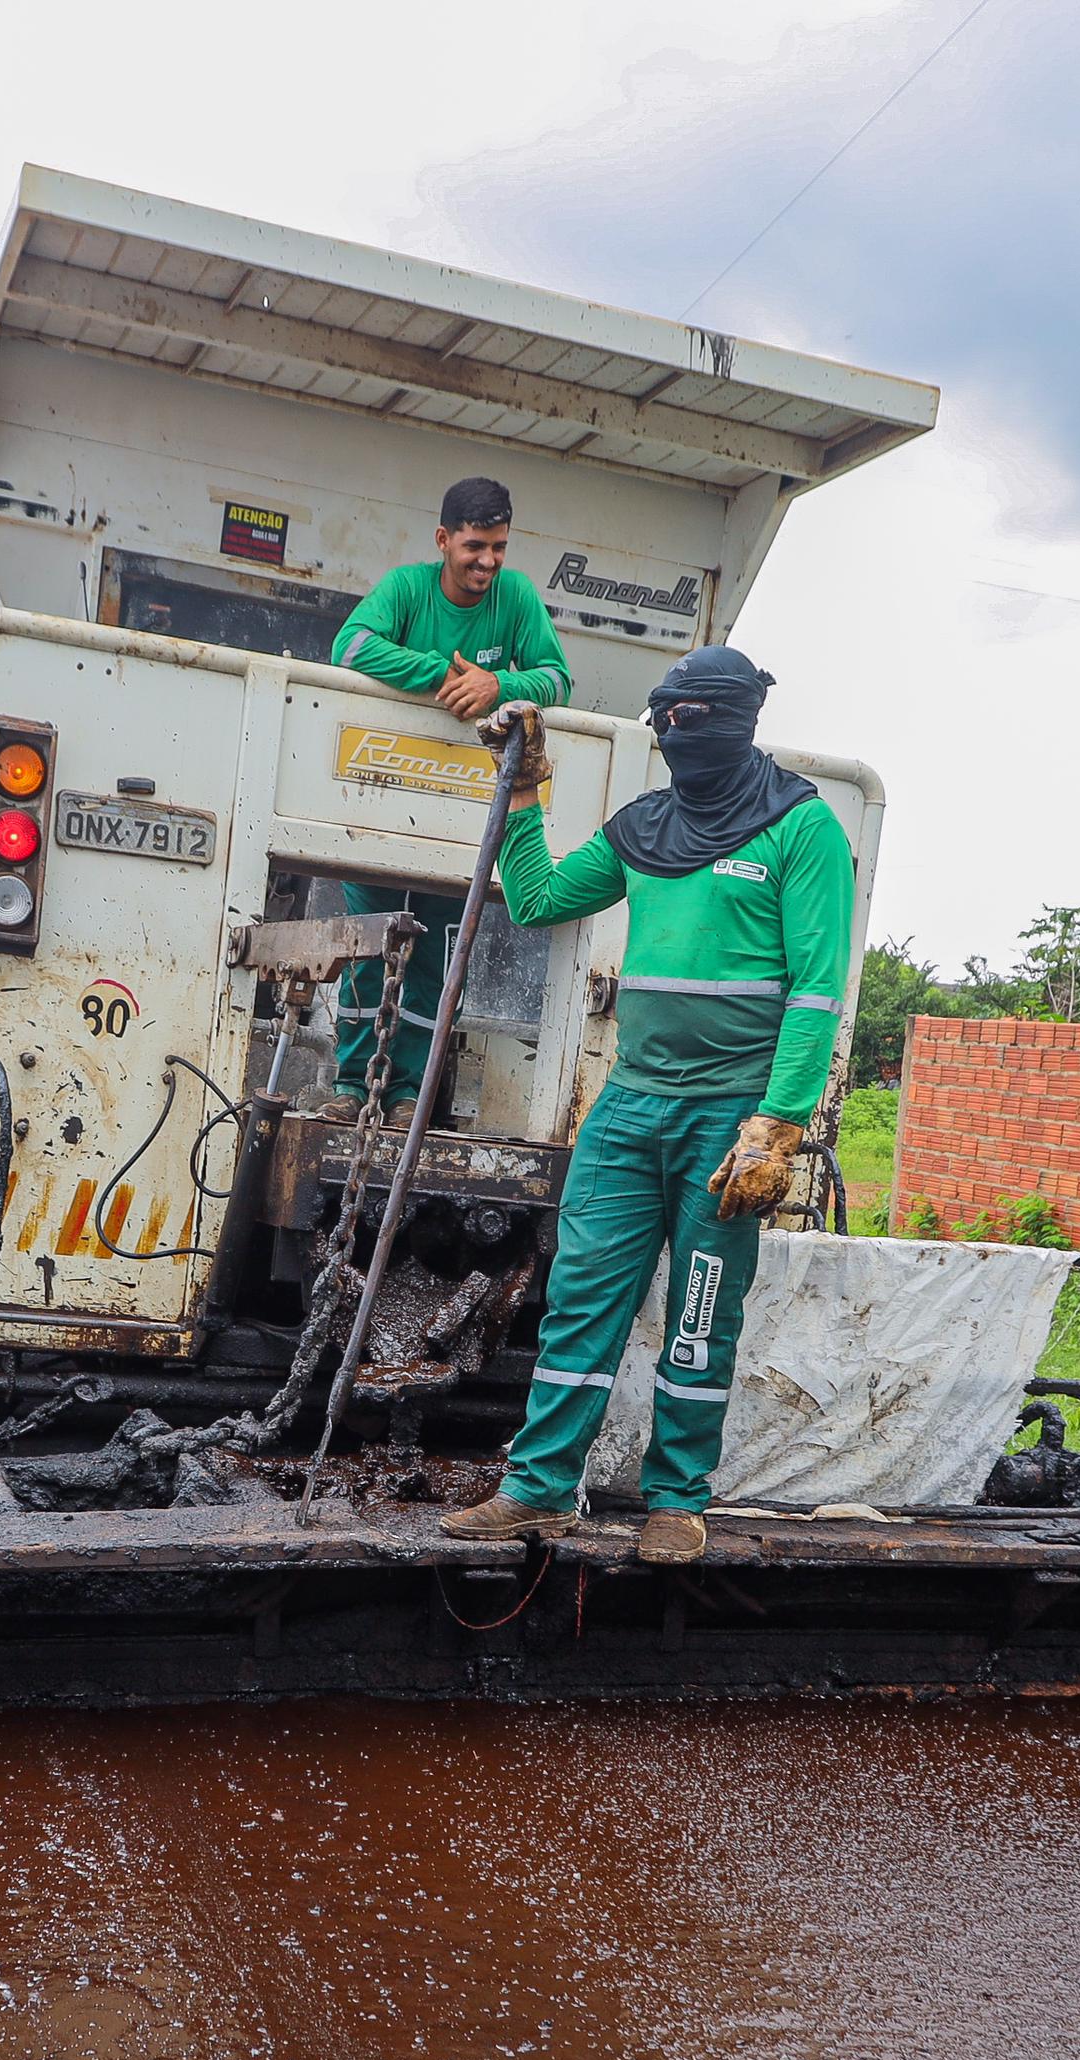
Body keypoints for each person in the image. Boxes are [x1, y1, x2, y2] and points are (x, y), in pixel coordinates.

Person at [438, 645, 848, 1569]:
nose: (677, 735)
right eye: (667, 719)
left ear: (740, 720)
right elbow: (538, 898)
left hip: (730, 1119)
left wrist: (777, 1124)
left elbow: (819, 991)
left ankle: (676, 1498)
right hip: (629, 1109)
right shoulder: (646, 827)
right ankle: (539, 1489)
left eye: (695, 718)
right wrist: (528, 793)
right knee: (581, 1299)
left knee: (701, 1312)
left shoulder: (801, 826)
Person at [319, 474, 575, 1116]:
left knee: (434, 957)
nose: (487, 562)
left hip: (460, 816)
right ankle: (353, 1087)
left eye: (499, 547)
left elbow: (558, 678)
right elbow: (349, 644)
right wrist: (443, 675)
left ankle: (410, 1096)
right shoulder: (406, 589)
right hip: (379, 804)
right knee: (369, 949)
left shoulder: (516, 597)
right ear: (444, 540)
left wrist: (497, 686)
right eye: (474, 546)